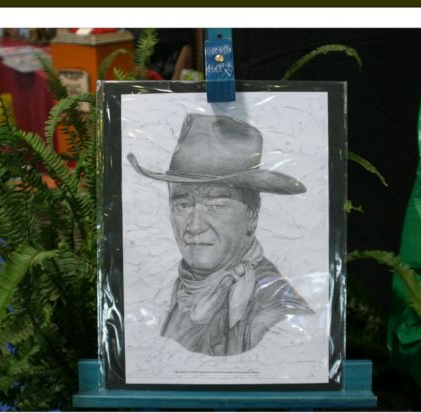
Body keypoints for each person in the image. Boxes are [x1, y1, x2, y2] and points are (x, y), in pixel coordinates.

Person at [127, 113, 314, 356]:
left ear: (251, 215)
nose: (194, 226)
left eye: (216, 205)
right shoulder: (185, 289)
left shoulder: (277, 316)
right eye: (182, 205)